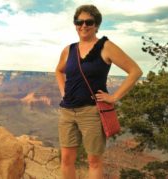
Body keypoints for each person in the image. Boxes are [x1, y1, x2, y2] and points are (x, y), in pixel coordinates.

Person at [55, 4, 143, 179]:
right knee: (66, 159)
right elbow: (58, 71)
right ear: (75, 24)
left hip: (91, 111)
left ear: (96, 25)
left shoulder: (106, 47)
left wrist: (114, 97)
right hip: (67, 111)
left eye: (89, 22)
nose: (84, 26)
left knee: (94, 161)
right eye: (79, 22)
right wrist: (63, 92)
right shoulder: (69, 49)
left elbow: (135, 71)